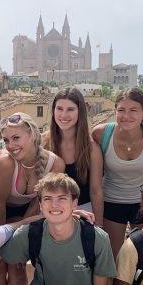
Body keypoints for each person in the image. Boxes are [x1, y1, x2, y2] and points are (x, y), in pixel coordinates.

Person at [0, 173, 129, 285]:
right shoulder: (30, 234)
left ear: (74, 203)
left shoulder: (96, 238)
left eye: (62, 198)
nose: (54, 205)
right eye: (47, 199)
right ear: (40, 205)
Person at [0, 113, 64, 285]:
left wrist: (20, 228)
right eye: (6, 140)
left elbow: (38, 203)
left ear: (31, 135)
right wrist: (0, 240)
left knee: (17, 265)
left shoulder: (54, 164)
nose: (11, 145)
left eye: (16, 138)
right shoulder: (4, 164)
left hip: (28, 214)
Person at [93, 88, 143, 262]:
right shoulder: (101, 134)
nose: (126, 116)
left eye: (133, 110)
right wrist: (98, 223)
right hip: (111, 202)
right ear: (115, 111)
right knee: (114, 259)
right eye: (121, 110)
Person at [42, 87, 104, 224]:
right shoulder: (42, 143)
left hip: (84, 213)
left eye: (70, 109)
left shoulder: (92, 148)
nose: (64, 115)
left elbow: (96, 191)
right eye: (59, 109)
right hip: (50, 212)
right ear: (53, 111)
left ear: (80, 112)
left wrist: (99, 227)